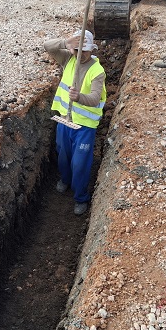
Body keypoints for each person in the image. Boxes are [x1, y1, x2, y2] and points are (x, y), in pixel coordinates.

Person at [45, 30, 106, 216]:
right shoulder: (68, 58)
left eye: (84, 51)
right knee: (63, 155)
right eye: (77, 50)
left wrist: (79, 97)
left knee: (80, 163)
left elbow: (95, 98)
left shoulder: (97, 71)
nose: (80, 55)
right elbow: (47, 46)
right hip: (65, 120)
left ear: (91, 49)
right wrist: (66, 42)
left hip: (85, 126)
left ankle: (81, 197)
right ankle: (65, 179)